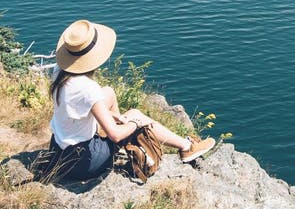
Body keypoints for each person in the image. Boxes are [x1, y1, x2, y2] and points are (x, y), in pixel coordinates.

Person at [39, 18, 215, 182]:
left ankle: (132, 140)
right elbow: (115, 135)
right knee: (135, 115)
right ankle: (186, 147)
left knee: (108, 92)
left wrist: (113, 117)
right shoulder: (87, 88)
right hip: (83, 162)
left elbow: (77, 104)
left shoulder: (60, 71)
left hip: (58, 151)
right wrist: (134, 124)